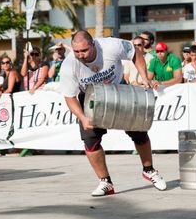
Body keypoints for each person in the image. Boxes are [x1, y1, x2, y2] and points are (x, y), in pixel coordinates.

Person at [60, 30, 166, 196]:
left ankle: (149, 170)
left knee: (139, 131)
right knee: (90, 141)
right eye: (76, 51)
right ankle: (105, 182)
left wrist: (144, 77)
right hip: (90, 96)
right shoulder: (69, 65)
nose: (80, 55)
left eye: (84, 50)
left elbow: (136, 52)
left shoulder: (111, 45)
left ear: (93, 44)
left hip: (117, 88)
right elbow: (69, 97)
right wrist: (82, 118)